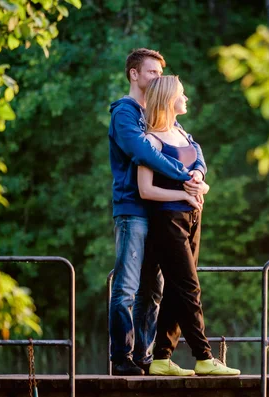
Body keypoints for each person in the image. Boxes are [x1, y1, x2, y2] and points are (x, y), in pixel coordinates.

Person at [108, 48, 207, 376]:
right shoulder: (125, 113)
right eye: (151, 72)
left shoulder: (160, 117)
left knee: (154, 289)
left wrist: (197, 179)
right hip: (132, 210)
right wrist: (185, 178)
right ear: (134, 74)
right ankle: (121, 357)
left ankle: (146, 356)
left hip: (158, 212)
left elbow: (192, 150)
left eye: (159, 73)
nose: (157, 78)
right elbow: (143, 152)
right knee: (126, 286)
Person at [137, 75, 240, 376]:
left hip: (193, 217)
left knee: (177, 290)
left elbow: (200, 174)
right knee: (189, 287)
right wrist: (184, 192)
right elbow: (146, 190)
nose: (186, 98)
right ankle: (204, 357)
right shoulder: (151, 141)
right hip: (167, 220)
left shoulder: (183, 134)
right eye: (182, 94)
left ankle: (161, 358)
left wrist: (199, 185)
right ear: (169, 98)